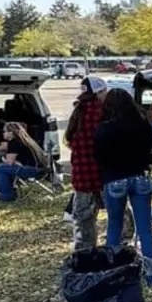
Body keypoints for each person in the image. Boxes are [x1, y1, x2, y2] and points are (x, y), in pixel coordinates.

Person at [94, 88, 152, 287]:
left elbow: (99, 157)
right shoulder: (143, 125)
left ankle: (114, 273)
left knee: (114, 226)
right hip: (139, 176)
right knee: (145, 229)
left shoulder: (104, 129)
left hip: (114, 178)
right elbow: (150, 149)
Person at [64, 77, 108, 247]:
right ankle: (121, 244)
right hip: (103, 171)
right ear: (98, 93)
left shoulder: (78, 111)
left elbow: (68, 137)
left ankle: (85, 249)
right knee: (118, 211)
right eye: (104, 91)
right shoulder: (102, 111)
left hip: (81, 171)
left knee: (83, 216)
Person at [0, 122, 47, 202]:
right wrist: (16, 162)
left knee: (1, 168)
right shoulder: (24, 140)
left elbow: (9, 162)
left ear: (11, 132)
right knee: (5, 168)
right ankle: (8, 193)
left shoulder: (14, 143)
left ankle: (6, 197)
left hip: (32, 170)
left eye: (4, 131)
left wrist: (4, 159)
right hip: (40, 169)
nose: (3, 133)